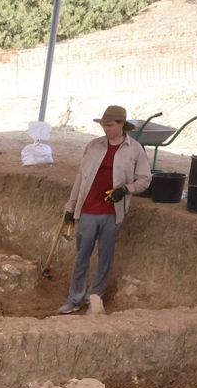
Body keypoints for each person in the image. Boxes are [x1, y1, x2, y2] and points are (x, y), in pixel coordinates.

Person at [58, 104, 151, 315]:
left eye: (109, 125)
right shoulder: (93, 146)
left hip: (112, 213)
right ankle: (75, 299)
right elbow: (81, 178)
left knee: (105, 258)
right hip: (88, 210)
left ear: (121, 125)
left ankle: (95, 299)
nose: (105, 129)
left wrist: (126, 189)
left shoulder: (135, 149)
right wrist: (70, 207)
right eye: (103, 125)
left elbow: (145, 179)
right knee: (82, 256)